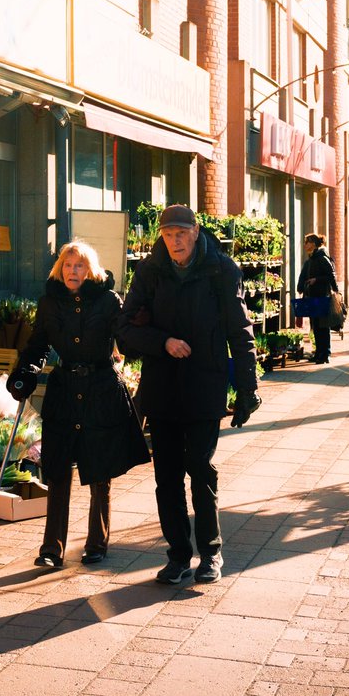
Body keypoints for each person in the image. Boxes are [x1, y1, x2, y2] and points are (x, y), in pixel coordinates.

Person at [117, 205, 260, 587]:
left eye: (181, 232)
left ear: (196, 232)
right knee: (166, 477)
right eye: (168, 234)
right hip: (162, 388)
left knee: (200, 469)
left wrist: (248, 389)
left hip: (203, 385)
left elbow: (240, 330)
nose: (174, 240)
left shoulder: (221, 270)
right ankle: (178, 554)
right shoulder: (150, 272)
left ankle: (211, 553)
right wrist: (162, 341)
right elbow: (124, 329)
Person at [7, 241, 150, 570]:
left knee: (100, 471)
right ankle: (51, 548)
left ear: (91, 271)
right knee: (57, 470)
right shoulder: (49, 303)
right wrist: (24, 374)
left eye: (80, 266)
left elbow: (126, 342)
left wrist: (141, 325)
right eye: (68, 265)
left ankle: (97, 542)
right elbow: (36, 346)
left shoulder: (109, 301)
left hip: (101, 390)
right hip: (64, 391)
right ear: (60, 269)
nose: (74, 271)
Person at [297, 233, 339, 364]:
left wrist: (335, 290)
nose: (305, 245)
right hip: (312, 295)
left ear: (314, 244)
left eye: (307, 242)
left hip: (321, 295)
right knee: (315, 326)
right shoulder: (311, 258)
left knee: (323, 326)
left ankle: (325, 354)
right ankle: (319, 353)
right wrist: (301, 287)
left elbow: (331, 275)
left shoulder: (321, 257)